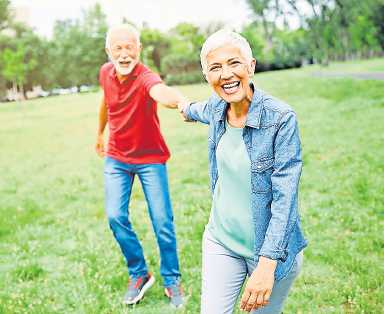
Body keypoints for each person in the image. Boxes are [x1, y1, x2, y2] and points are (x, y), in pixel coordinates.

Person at [179, 30, 307, 313]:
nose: (226, 74)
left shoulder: (281, 119)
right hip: (221, 240)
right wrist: (185, 108)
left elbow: (285, 199)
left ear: (251, 66)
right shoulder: (215, 108)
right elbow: (197, 109)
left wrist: (267, 264)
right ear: (207, 76)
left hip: (270, 251)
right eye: (215, 67)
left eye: (234, 63)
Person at [96, 24, 185, 308]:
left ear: (139, 49)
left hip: (150, 158)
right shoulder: (105, 73)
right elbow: (106, 103)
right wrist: (99, 133)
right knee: (114, 216)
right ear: (109, 51)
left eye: (129, 47)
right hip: (117, 157)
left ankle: (172, 279)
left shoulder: (146, 76)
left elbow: (160, 92)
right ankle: (139, 273)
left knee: (162, 222)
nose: (124, 54)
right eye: (118, 48)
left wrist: (181, 101)